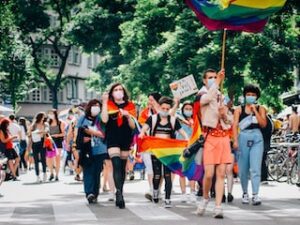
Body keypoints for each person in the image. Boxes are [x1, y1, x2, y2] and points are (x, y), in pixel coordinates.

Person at [196, 69, 233, 219]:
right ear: (204, 81)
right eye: (210, 78)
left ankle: (218, 206)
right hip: (210, 137)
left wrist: (224, 114)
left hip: (223, 138)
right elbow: (206, 99)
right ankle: (205, 198)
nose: (213, 79)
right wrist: (217, 82)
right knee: (209, 174)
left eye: (214, 77)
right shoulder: (202, 94)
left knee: (221, 174)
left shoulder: (221, 96)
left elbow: (230, 121)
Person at [139, 96, 188, 208]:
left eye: (167, 109)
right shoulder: (152, 119)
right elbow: (144, 129)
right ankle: (155, 192)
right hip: (155, 151)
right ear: (159, 107)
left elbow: (182, 132)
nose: (165, 110)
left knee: (167, 175)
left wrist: (187, 140)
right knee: (157, 175)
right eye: (163, 108)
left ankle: (167, 199)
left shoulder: (173, 120)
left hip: (168, 152)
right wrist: (142, 134)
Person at [101, 83, 137, 209]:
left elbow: (133, 126)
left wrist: (127, 116)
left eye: (120, 89)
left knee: (122, 167)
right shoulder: (109, 105)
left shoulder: (130, 105)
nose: (118, 91)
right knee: (115, 164)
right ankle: (119, 194)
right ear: (111, 92)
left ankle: (119, 190)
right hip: (112, 137)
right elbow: (104, 120)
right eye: (115, 90)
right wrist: (104, 102)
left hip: (125, 137)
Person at [233, 84, 267, 206]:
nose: (250, 97)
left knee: (255, 168)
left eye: (253, 95)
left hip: (257, 137)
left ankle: (255, 194)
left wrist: (255, 111)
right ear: (245, 95)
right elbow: (235, 125)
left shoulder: (261, 108)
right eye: (248, 94)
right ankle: (245, 193)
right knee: (243, 169)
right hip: (243, 137)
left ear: (257, 96)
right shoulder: (238, 109)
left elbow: (263, 124)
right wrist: (235, 140)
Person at [74, 99, 108, 204]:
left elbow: (104, 134)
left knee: (96, 172)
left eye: (98, 105)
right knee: (88, 171)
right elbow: (77, 133)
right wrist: (80, 140)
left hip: (100, 149)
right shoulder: (82, 118)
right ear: (89, 106)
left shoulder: (101, 119)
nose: (96, 107)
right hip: (86, 150)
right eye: (94, 105)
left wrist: (92, 132)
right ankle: (89, 193)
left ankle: (95, 193)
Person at [138, 92, 161, 201]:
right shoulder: (144, 113)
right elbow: (142, 126)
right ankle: (152, 189)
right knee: (150, 168)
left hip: (160, 144)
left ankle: (158, 189)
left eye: (152, 100)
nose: (149, 102)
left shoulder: (164, 112)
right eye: (149, 100)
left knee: (159, 169)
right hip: (147, 144)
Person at [175, 101, 197, 203]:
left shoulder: (196, 120)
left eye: (190, 109)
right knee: (182, 172)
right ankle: (183, 193)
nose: (188, 111)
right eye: (186, 109)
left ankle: (192, 192)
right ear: (183, 110)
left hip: (193, 147)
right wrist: (176, 102)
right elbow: (171, 114)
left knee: (192, 171)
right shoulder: (178, 119)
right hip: (180, 147)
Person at [27, 112, 48, 183]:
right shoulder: (34, 124)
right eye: (43, 116)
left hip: (42, 142)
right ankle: (37, 176)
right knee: (35, 160)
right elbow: (29, 134)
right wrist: (29, 146)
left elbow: (47, 131)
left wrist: (41, 132)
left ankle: (45, 174)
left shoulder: (45, 124)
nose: (44, 118)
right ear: (40, 117)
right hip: (35, 142)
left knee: (43, 159)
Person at [48, 109, 65, 181]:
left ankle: (57, 175)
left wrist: (56, 135)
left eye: (51, 113)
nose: (50, 115)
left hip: (57, 141)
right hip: (49, 142)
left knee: (57, 159)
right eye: (49, 113)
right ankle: (51, 173)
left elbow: (63, 133)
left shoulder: (60, 122)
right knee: (49, 159)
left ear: (55, 114)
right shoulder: (48, 123)